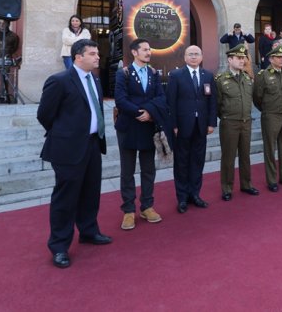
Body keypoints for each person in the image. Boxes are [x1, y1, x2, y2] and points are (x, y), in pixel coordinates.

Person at [37, 39, 110, 269]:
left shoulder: (95, 80)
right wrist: (65, 134)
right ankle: (59, 246)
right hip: (67, 148)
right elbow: (44, 114)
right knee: (65, 198)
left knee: (91, 193)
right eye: (93, 53)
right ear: (78, 56)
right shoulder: (59, 81)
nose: (98, 57)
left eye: (97, 53)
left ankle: (88, 231)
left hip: (92, 145)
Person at [114, 38, 169, 230]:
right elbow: (121, 100)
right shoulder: (124, 73)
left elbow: (161, 98)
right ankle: (128, 210)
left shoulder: (154, 73)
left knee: (148, 169)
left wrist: (150, 114)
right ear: (135, 52)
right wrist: (140, 113)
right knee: (127, 171)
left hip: (148, 127)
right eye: (145, 49)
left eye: (150, 49)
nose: (149, 52)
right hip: (128, 126)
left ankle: (147, 206)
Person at [167, 45, 217, 213]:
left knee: (197, 161)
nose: (194, 56)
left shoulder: (208, 75)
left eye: (197, 54)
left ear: (202, 57)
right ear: (185, 57)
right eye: (191, 54)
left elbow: (212, 102)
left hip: (201, 126)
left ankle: (195, 194)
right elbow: (171, 103)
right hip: (182, 127)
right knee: (181, 163)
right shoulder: (176, 76)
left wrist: (211, 123)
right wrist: (173, 125)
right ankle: (182, 198)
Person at [215, 44, 258, 201]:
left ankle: (246, 184)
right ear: (229, 60)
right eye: (239, 58)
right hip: (229, 123)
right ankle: (227, 188)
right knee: (228, 157)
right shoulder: (220, 80)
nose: (242, 61)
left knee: (245, 155)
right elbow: (217, 105)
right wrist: (227, 117)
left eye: (244, 58)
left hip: (246, 122)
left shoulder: (247, 79)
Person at [253, 45, 282, 192]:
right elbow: (257, 97)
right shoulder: (263, 75)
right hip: (271, 115)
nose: (281, 60)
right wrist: (267, 110)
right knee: (270, 149)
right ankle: (272, 180)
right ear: (271, 59)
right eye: (278, 57)